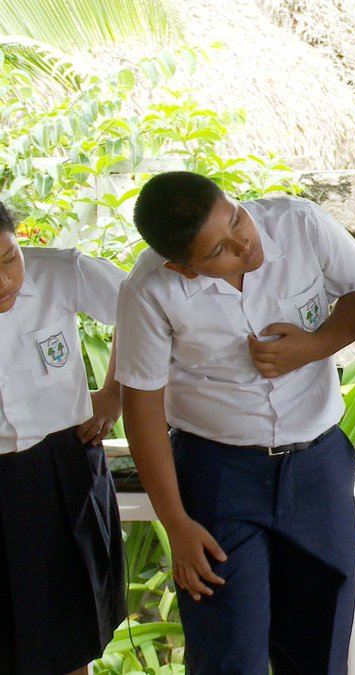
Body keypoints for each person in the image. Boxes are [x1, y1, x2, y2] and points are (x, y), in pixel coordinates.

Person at [115, 172, 355, 673]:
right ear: (182, 267)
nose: (244, 242)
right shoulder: (149, 288)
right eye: (219, 250)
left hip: (317, 464)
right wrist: (176, 523)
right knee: (227, 652)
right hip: (218, 476)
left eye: (235, 217)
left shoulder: (298, 223)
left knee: (320, 645)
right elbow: (143, 408)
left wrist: (313, 346)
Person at [0, 203, 126, 675]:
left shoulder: (60, 271)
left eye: (9, 259)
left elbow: (145, 308)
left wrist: (114, 392)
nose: (3, 281)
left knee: (68, 632)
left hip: (59, 469)